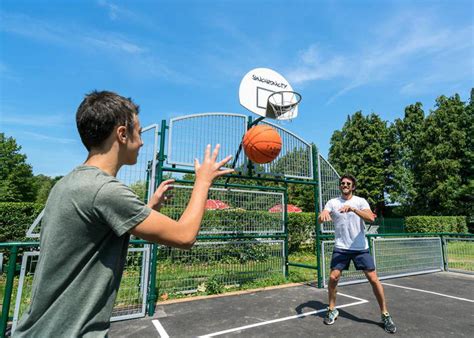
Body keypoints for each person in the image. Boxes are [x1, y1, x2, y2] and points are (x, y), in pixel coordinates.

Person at [14, 91, 234, 337]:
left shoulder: (67, 184)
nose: (140, 141)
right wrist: (203, 181)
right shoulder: (104, 191)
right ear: (121, 134)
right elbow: (184, 236)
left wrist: (149, 207)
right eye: (138, 132)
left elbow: (105, 234)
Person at [318, 174, 397, 334]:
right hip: (341, 247)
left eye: (348, 183)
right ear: (340, 186)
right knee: (333, 278)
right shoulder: (333, 202)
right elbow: (321, 217)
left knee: (374, 280)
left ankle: (385, 314)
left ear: (353, 186)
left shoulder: (360, 201)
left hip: (360, 247)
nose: (344, 185)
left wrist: (353, 209)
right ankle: (332, 309)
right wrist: (322, 216)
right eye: (342, 183)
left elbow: (370, 218)